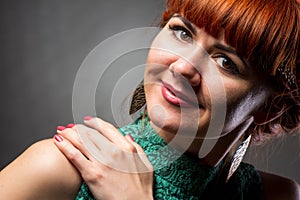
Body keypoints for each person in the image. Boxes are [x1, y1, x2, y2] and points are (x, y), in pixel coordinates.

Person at [0, 0, 299, 199]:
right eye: (182, 33)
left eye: (226, 62)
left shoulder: (277, 195)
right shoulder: (56, 169)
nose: (182, 67)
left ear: (270, 108)